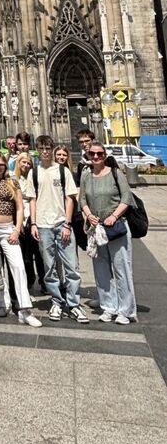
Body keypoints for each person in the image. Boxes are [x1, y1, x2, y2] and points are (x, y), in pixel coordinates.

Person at [30, 134, 89, 323]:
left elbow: (70, 198)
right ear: (37, 150)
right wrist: (33, 223)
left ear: (52, 149)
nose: (45, 152)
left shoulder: (63, 171)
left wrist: (67, 223)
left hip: (61, 224)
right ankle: (56, 301)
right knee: (49, 268)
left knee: (72, 267)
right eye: (41, 148)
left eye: (48, 148)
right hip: (43, 226)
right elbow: (32, 199)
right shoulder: (34, 172)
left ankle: (74, 304)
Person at [79, 141, 137, 324]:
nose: (96, 157)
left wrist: (114, 215)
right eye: (92, 154)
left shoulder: (115, 173)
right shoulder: (86, 175)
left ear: (105, 155)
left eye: (99, 153)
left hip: (116, 226)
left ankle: (125, 310)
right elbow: (82, 199)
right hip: (97, 228)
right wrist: (89, 215)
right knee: (101, 269)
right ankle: (108, 307)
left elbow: (127, 197)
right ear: (88, 155)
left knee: (122, 269)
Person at [0, 152, 42, 327]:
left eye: (1, 164)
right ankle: (2, 303)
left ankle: (25, 309)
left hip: (9, 229)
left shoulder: (12, 182)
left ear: (5, 167)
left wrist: (17, 229)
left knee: (18, 267)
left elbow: (19, 207)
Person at [16, 151, 45, 292]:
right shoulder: (13, 179)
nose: (26, 165)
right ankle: (29, 280)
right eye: (24, 162)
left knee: (39, 253)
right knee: (25, 254)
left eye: (29, 163)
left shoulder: (34, 176)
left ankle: (43, 282)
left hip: (34, 217)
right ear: (18, 163)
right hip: (21, 218)